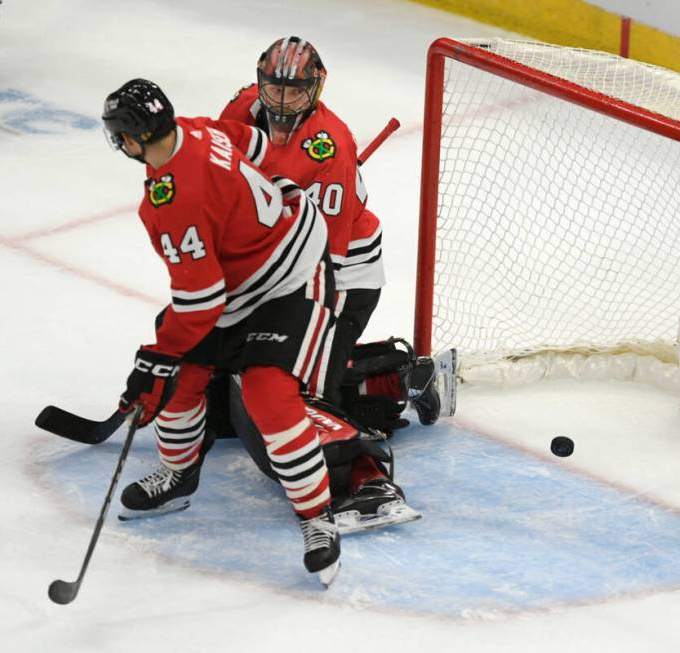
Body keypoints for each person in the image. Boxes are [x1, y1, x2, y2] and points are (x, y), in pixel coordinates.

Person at [101, 78, 341, 586]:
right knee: (183, 377)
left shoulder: (168, 204)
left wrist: (155, 355)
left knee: (267, 393)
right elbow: (256, 144)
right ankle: (179, 473)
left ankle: (318, 518)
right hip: (241, 278)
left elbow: (201, 300)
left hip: (291, 275)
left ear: (131, 139)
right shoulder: (197, 129)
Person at [219, 36, 442, 432]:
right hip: (279, 256)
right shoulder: (240, 109)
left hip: (343, 276)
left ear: (316, 90)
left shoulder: (331, 148)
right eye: (274, 89)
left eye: (295, 92)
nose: (283, 102)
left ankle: (399, 376)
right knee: (226, 393)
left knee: (308, 397)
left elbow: (326, 263)